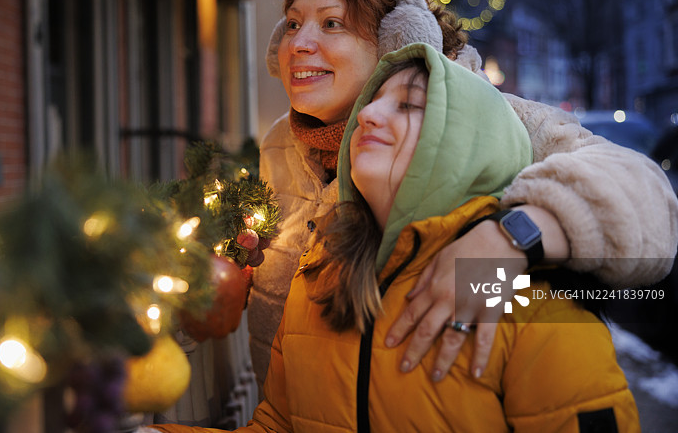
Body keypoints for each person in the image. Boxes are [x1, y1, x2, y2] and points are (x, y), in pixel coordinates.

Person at [246, 0, 678, 391]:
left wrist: (513, 239)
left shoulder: (493, 123)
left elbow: (651, 204)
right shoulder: (282, 142)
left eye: (332, 23)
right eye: (293, 24)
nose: (299, 44)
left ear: (397, 38)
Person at [153, 43, 640, 432]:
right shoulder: (319, 274)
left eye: (409, 106)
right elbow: (278, 425)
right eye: (372, 102)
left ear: (466, 145)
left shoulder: (526, 298)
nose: (367, 116)